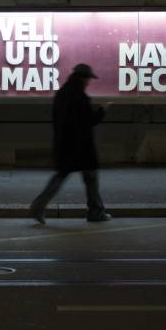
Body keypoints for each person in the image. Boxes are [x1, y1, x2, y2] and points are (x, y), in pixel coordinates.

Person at [30, 63, 112, 223]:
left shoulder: (62, 93)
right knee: (91, 179)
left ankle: (37, 208)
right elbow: (89, 121)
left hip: (65, 145)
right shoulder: (80, 97)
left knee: (59, 177)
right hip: (82, 147)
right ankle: (96, 212)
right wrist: (103, 110)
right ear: (83, 78)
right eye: (88, 79)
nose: (89, 82)